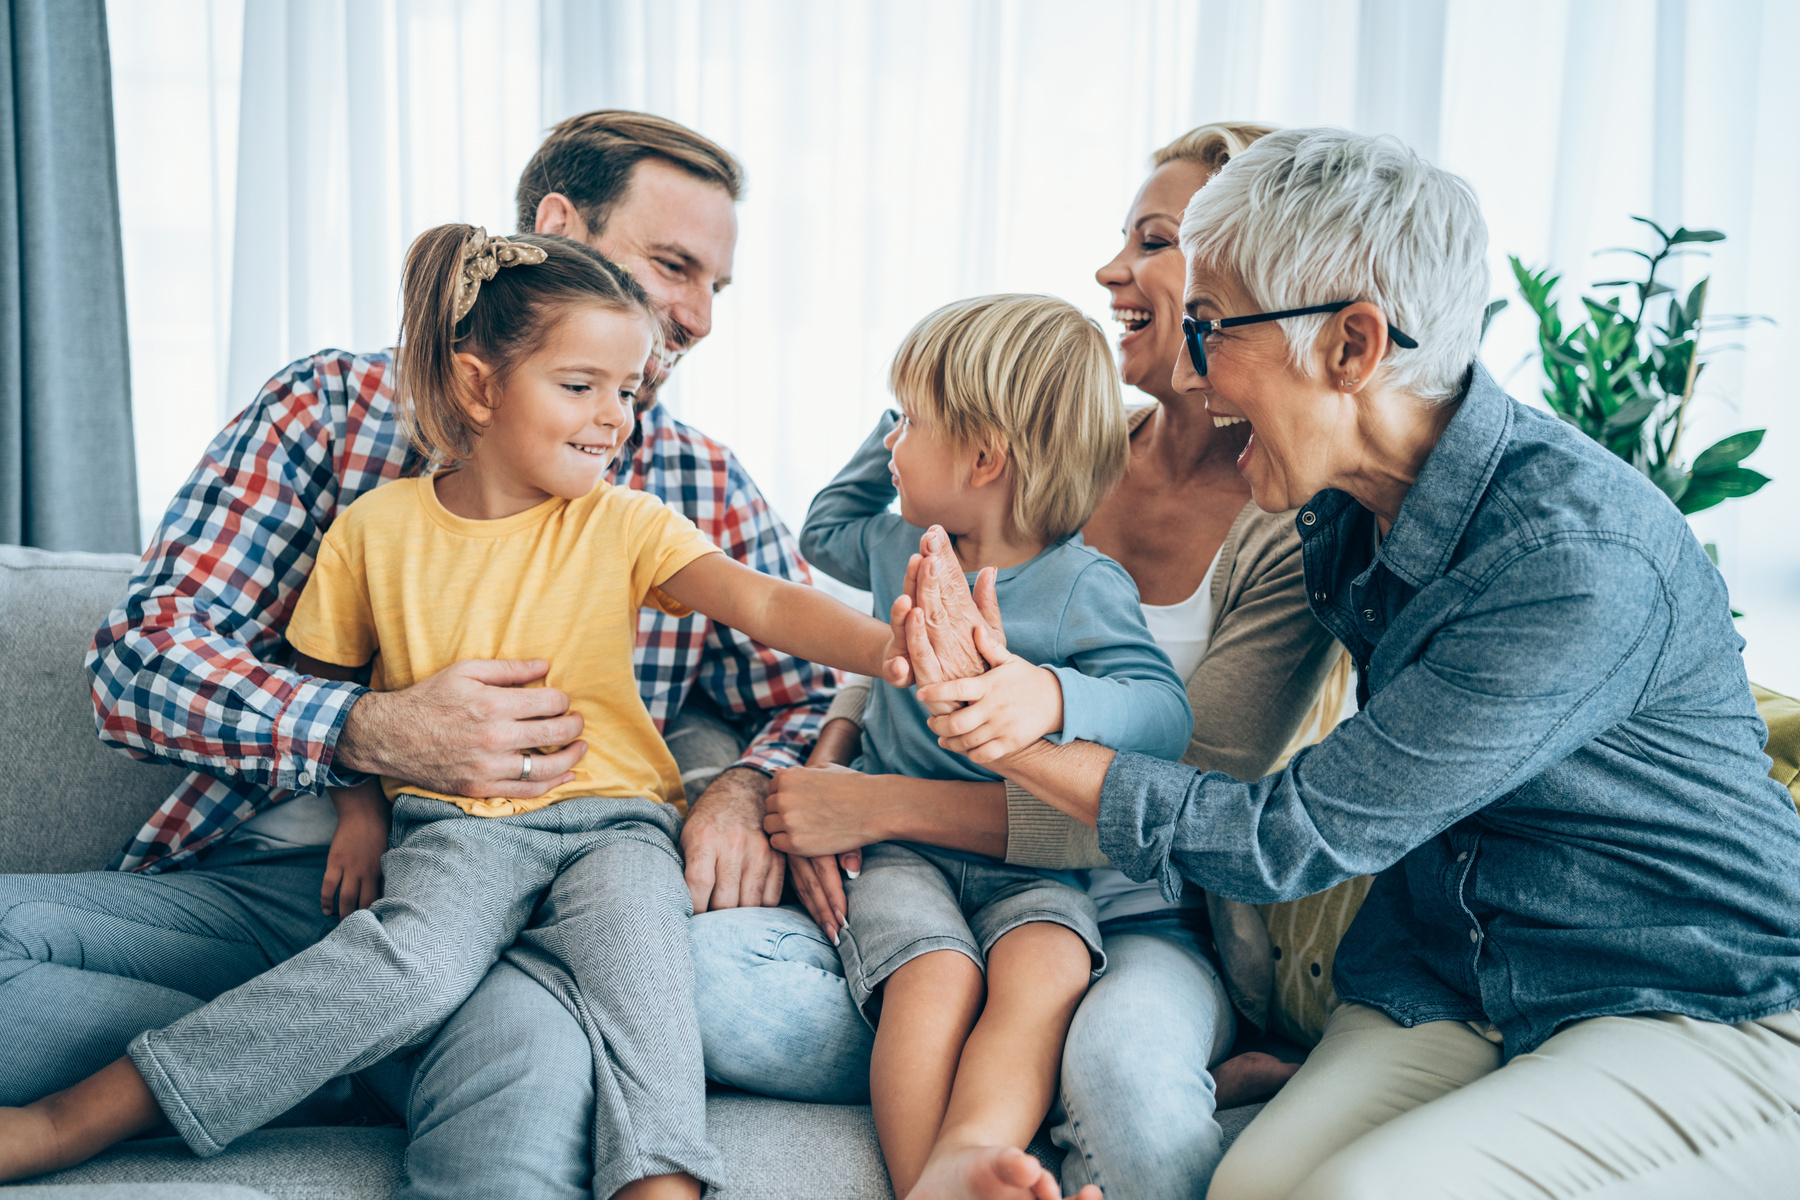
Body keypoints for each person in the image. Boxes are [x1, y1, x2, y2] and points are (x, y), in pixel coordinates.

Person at [912, 127, 1800, 1199]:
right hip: (1455, 973)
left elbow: (1290, 832)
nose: (1193, 370)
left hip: (1687, 988)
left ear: (1352, 346)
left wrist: (1014, 736)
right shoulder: (1343, 506)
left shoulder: (1572, 561)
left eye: (1210, 327)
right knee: (1247, 1187)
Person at [2, 112, 833, 1199]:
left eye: (717, 288)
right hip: (266, 895)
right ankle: (330, 1043)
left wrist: (743, 787)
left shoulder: (688, 486)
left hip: (495, 918)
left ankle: (303, 1048)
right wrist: (367, 734)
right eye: (675, 266)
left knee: (516, 1102)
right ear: (556, 227)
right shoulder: (331, 412)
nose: (696, 315)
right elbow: (142, 663)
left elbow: (812, 687)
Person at [693, 123, 1345, 1200]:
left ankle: (1036, 1112)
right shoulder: (1028, 474)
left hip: (1120, 891)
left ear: (1252, 285)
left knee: (1083, 1033)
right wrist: (835, 753)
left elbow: (1185, 777)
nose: (1108, 274)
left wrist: (889, 795)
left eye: (1155, 241)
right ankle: (976, 1144)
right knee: (728, 983)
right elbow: (881, 608)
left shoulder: (1274, 527)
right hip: (923, 864)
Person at [803, 294, 1194, 1199]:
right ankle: (929, 1185)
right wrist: (890, 416)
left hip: (1033, 861)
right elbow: (821, 527)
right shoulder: (896, 539)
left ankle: (972, 1152)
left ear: (984, 457)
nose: (895, 441)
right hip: (900, 851)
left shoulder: (1081, 584)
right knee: (934, 975)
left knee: (1046, 970)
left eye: (910, 422)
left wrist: (1053, 691)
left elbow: (1162, 716)